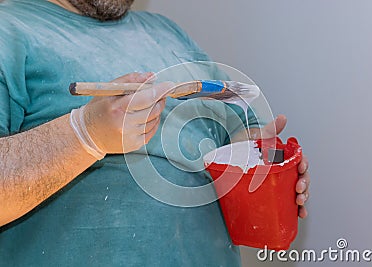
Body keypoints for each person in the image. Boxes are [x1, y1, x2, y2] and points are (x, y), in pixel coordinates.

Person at [0, 0, 310, 266]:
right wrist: (86, 132)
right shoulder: (9, 28)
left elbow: (239, 128)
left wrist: (261, 165)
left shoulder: (168, 32)